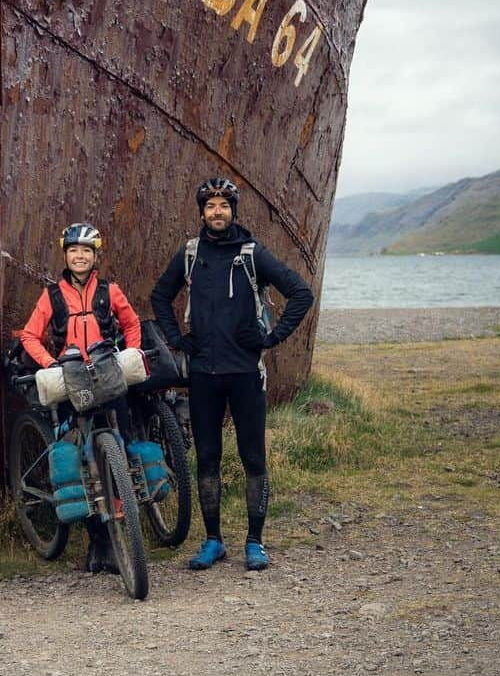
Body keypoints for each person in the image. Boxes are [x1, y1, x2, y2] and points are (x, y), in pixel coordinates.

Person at [150, 178, 313, 572]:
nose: (217, 211)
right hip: (204, 374)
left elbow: (301, 293)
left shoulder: (252, 253)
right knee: (206, 459)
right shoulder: (191, 253)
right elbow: (160, 296)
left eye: (224, 204)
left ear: (233, 211)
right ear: (202, 212)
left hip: (245, 373)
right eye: (210, 205)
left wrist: (272, 338)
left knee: (253, 458)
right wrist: (176, 338)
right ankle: (213, 542)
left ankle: (255, 543)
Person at [19, 221, 143, 572]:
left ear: (95, 256)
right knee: (82, 459)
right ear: (65, 255)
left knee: (123, 440)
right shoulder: (52, 295)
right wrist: (51, 364)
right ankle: (98, 543)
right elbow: (30, 335)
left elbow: (132, 323)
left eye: (86, 251)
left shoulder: (109, 291)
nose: (79, 256)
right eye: (74, 250)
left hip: (108, 374)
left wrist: (131, 355)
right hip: (72, 381)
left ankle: (128, 525)